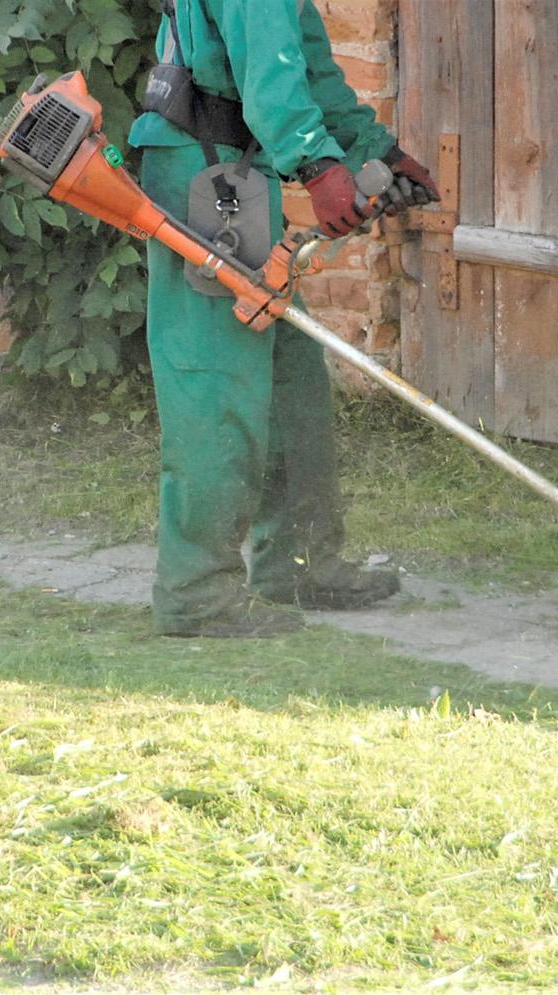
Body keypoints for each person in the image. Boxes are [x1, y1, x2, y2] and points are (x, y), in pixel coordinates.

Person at [128, 0, 440, 638]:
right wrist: (321, 169)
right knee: (216, 390)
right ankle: (196, 596)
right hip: (206, 179)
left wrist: (377, 149)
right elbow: (269, 77)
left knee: (290, 379)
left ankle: (298, 566)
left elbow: (306, 67)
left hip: (234, 175)